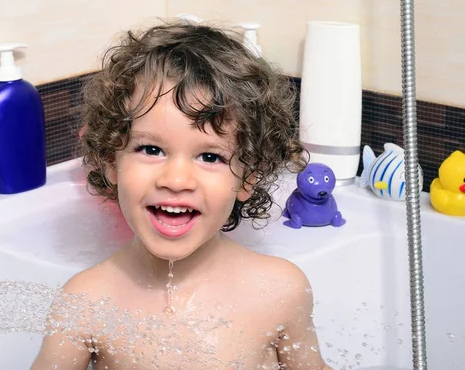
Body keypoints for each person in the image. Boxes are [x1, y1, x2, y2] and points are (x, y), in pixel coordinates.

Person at [32, 19, 332, 370]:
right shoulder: (85, 302)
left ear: (247, 178)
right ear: (111, 161)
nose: (176, 180)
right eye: (151, 149)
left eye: (210, 156)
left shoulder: (280, 290)